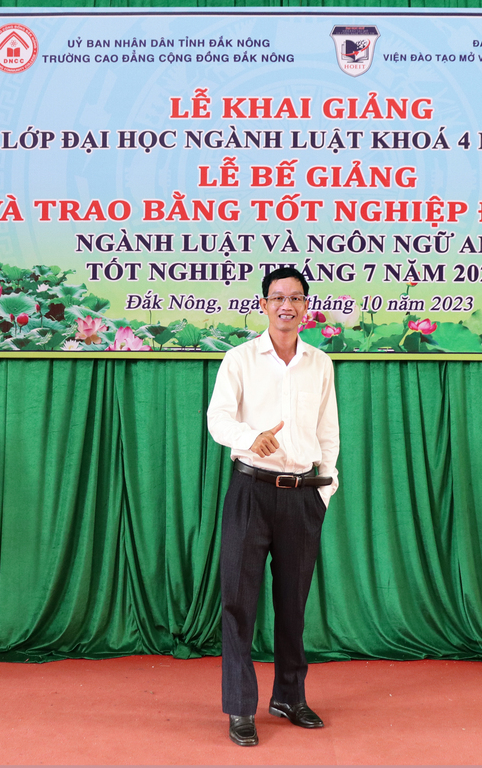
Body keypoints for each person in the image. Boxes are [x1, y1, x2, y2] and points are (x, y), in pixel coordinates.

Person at [206, 266, 340, 747]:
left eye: (296, 298)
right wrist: (250, 438)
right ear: (263, 304)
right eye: (278, 297)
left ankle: (289, 696)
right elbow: (217, 418)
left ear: (306, 307)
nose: (287, 305)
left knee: (293, 603)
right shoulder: (240, 359)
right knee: (239, 602)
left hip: (303, 495)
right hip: (251, 490)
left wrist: (325, 489)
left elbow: (328, 432)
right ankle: (241, 707)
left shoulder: (319, 363)